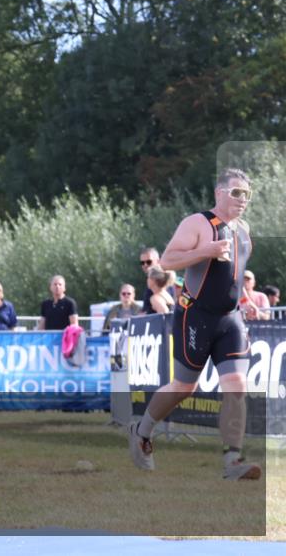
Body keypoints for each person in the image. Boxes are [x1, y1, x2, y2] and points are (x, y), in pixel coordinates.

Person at [127, 168, 261, 480]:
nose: (242, 200)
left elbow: (234, 275)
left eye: (246, 194)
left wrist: (247, 301)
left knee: (236, 386)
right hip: (195, 316)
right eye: (236, 192)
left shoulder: (243, 231)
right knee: (184, 387)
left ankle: (232, 461)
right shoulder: (198, 223)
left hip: (230, 320)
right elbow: (168, 261)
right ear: (219, 193)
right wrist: (206, 251)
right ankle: (142, 431)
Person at [137, 247, 175, 315]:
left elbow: (165, 315)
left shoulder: (156, 296)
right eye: (142, 263)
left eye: (149, 262)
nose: (145, 265)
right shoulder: (162, 292)